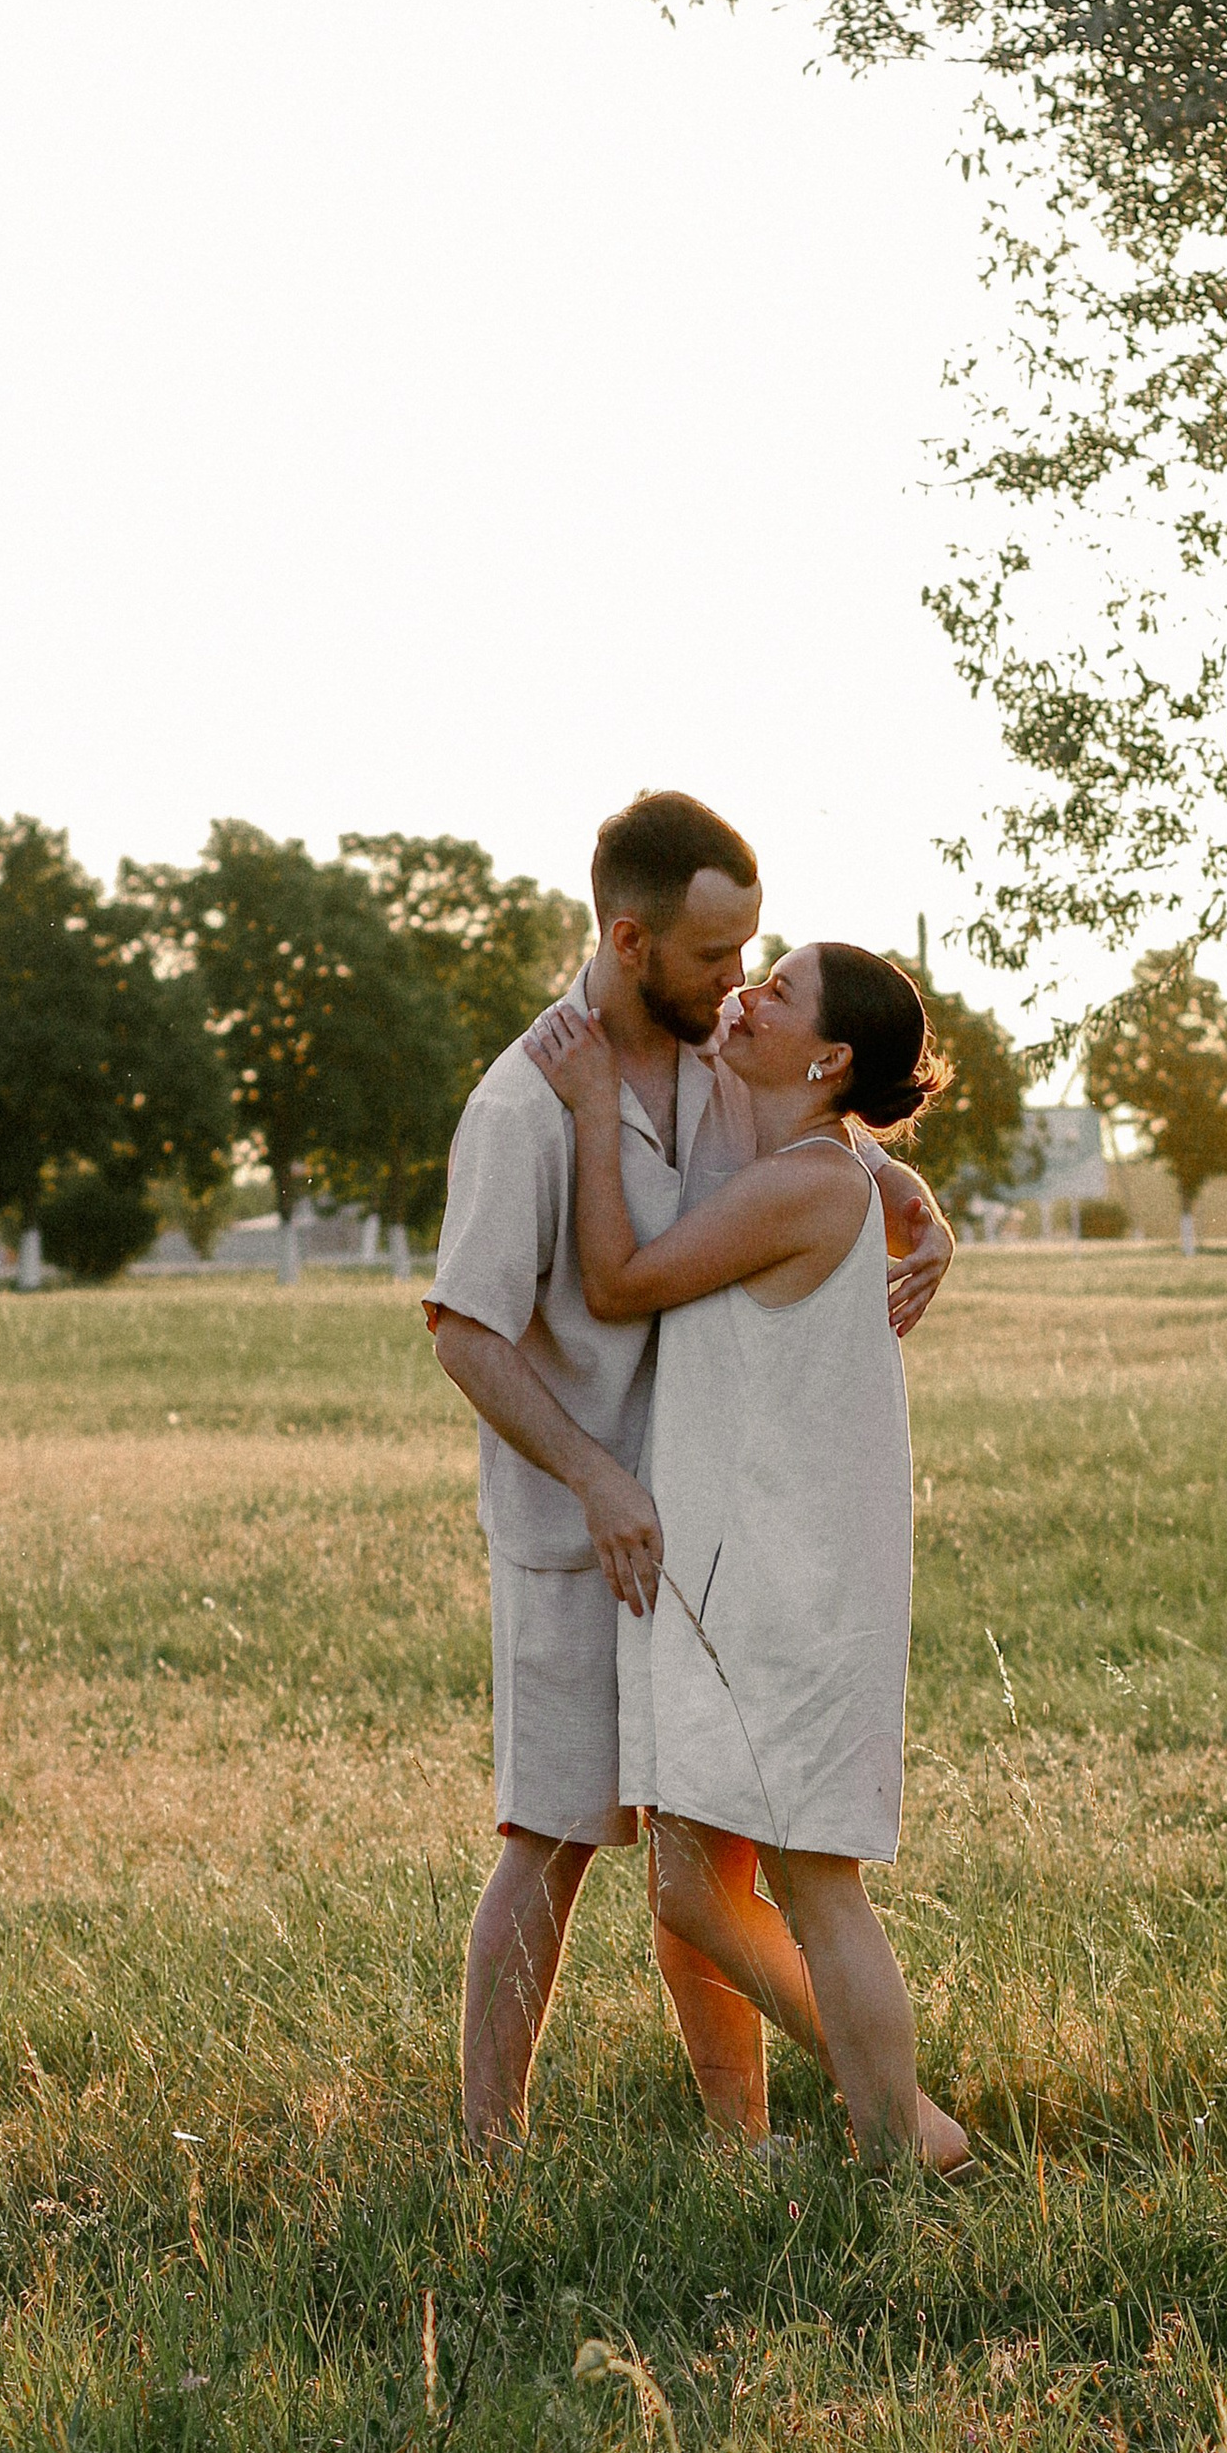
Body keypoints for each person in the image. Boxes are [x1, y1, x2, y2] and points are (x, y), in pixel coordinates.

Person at [426, 791, 955, 2147]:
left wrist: (913, 1194)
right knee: (549, 1845)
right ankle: (489, 2155)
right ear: (630, 937)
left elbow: (814, 1148)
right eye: (719, 959)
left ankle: (746, 2141)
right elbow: (466, 1334)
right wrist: (598, 1481)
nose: (736, 985)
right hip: (579, 1526)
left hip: (703, 1543)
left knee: (704, 1857)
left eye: (755, 959)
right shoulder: (525, 1104)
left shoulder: (705, 1065)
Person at [525, 940, 969, 2173]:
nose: (744, 992)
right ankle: (827, 2129)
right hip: (738, 1577)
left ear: (826, 1057)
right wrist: (922, 1206)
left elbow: (617, 1282)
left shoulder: (803, 1185)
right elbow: (872, 1164)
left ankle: (897, 2136)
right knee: (690, 1885)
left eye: (777, 990)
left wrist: (589, 1114)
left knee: (805, 1885)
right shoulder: (815, 1158)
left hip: (788, 1590)